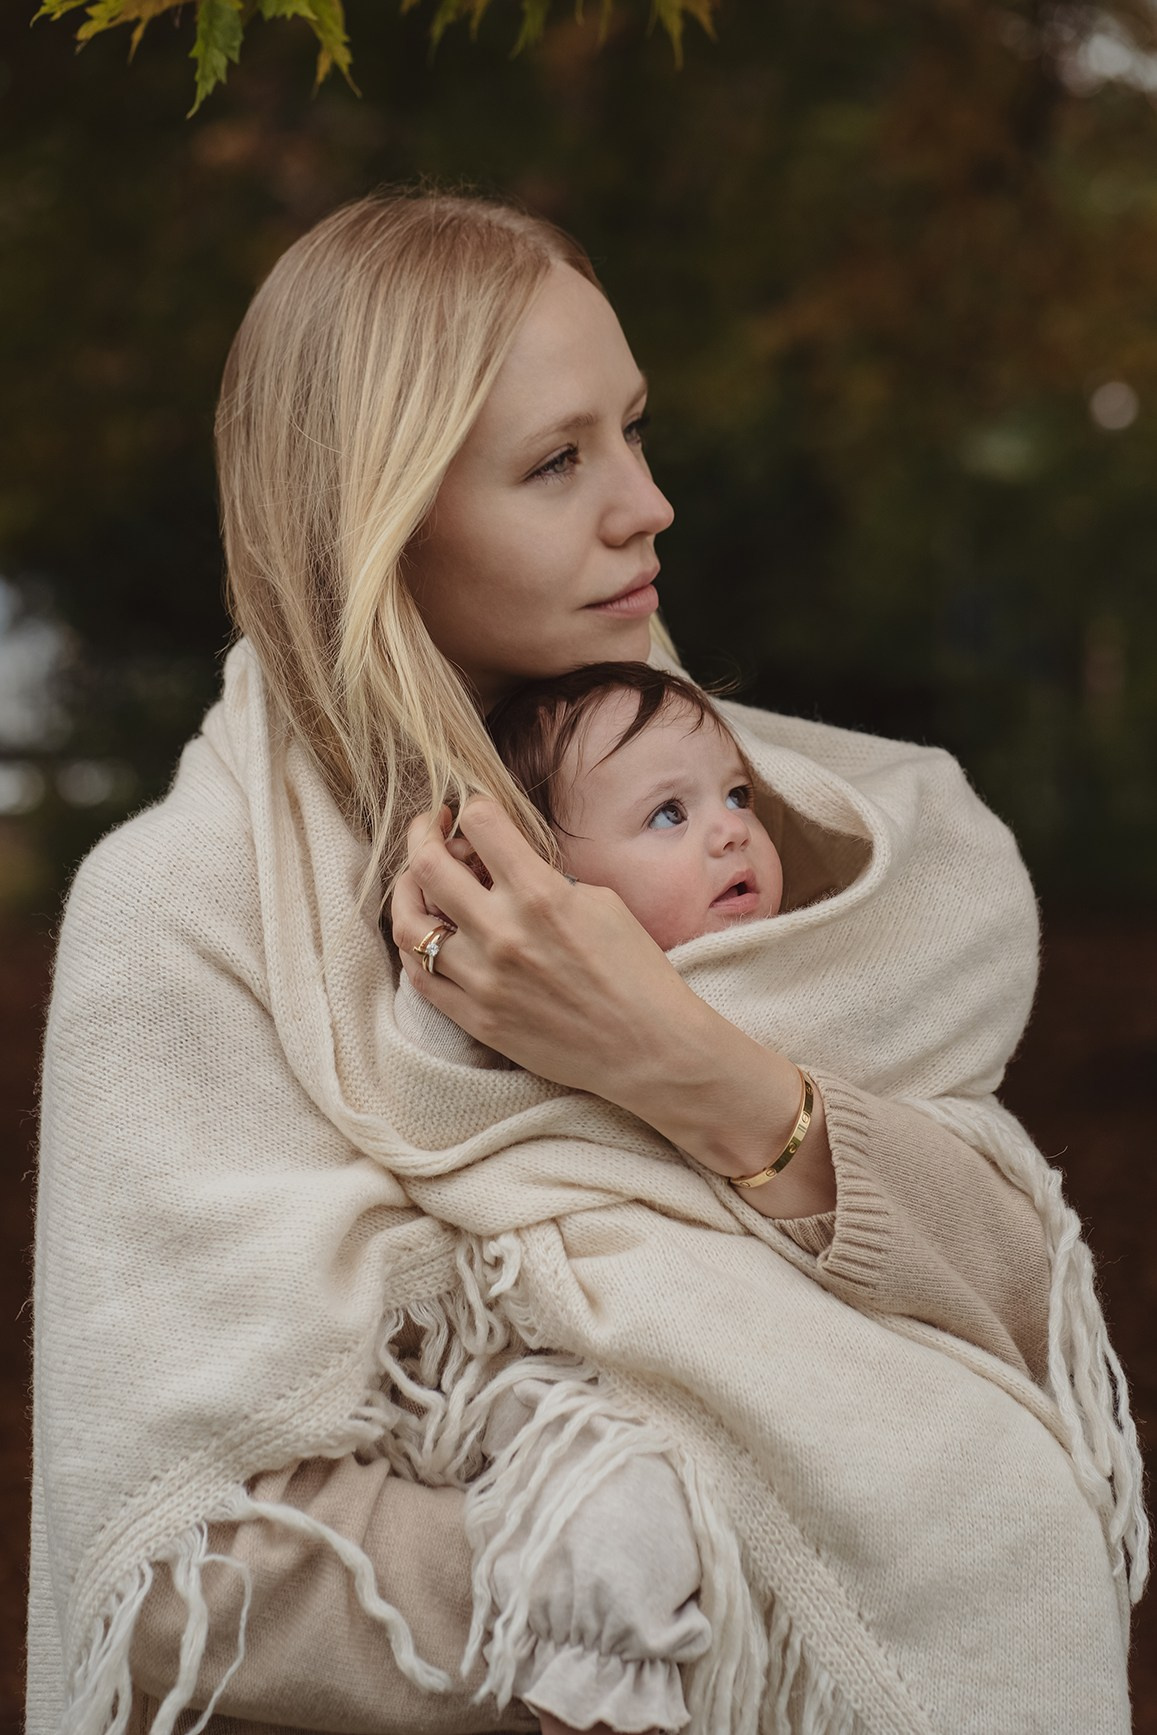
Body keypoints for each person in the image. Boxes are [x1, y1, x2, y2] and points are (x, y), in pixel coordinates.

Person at [28, 190, 1146, 1735]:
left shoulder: (755, 831)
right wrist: (648, 1564)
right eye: (558, 462)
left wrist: (683, 1062)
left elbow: (1016, 1301)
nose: (647, 502)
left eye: (631, 429)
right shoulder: (188, 919)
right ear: (381, 514)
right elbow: (169, 1569)